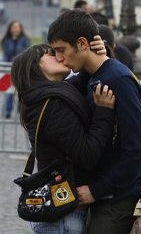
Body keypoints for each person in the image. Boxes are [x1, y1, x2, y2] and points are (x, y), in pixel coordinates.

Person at [47, 10, 141, 234]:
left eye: (61, 50)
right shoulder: (93, 76)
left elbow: (139, 149)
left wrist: (96, 190)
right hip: (107, 191)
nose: (59, 58)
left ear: (82, 43)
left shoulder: (117, 80)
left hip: (120, 195)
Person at [11, 41, 115, 234]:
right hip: (63, 221)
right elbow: (86, 154)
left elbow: (82, 79)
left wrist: (98, 54)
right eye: (51, 54)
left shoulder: (47, 95)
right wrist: (104, 112)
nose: (59, 56)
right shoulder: (52, 105)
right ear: (35, 67)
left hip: (63, 215)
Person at [1, 20, 31, 118]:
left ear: (21, 29)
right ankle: (8, 111)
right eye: (14, 27)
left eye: (18, 27)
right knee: (9, 91)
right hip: (9, 69)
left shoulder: (25, 40)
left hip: (21, 69)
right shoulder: (6, 40)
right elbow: (7, 53)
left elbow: (24, 53)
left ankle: (20, 110)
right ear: (10, 29)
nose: (16, 29)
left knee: (21, 91)